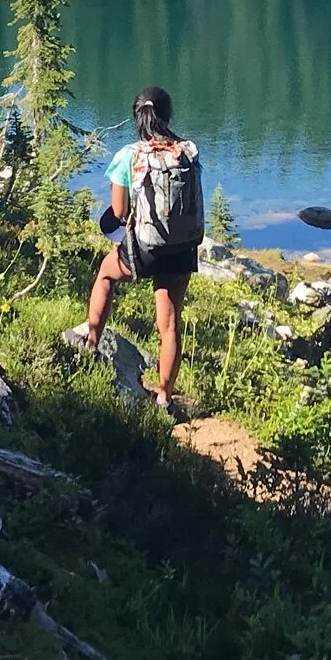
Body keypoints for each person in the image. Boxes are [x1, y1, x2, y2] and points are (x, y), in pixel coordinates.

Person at [65, 85, 202, 415]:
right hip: (182, 248)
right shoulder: (188, 151)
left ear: (137, 118)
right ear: (167, 115)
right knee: (169, 325)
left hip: (146, 249)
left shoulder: (129, 155)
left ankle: (92, 343)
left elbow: (119, 211)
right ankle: (164, 398)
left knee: (105, 274)